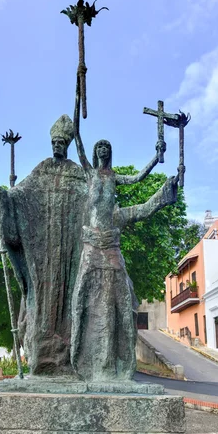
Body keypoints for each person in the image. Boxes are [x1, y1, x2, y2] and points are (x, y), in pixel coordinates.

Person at [71, 77, 179, 382]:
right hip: (92, 245)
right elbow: (78, 139)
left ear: (111, 153)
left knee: (122, 296)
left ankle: (118, 362)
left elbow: (139, 179)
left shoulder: (115, 179)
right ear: (95, 154)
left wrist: (156, 158)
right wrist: (78, 100)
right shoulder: (90, 174)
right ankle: (79, 356)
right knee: (81, 297)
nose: (103, 150)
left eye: (107, 147)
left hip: (112, 246)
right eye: (100, 147)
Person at [0, 115, 88, 376]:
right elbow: (21, 194)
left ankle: (67, 354)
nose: (57, 146)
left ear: (67, 145)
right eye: (53, 142)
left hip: (69, 249)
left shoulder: (77, 173)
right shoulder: (42, 169)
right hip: (42, 252)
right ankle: (42, 354)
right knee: (40, 299)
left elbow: (92, 201)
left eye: (60, 142)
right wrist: (0, 197)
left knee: (67, 298)